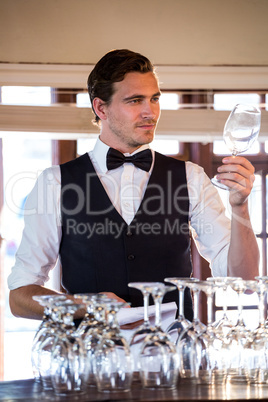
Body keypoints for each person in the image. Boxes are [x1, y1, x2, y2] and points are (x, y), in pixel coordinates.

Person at [8, 49, 259, 324]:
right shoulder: (54, 183)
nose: (150, 112)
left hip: (174, 360)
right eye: (135, 100)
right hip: (90, 358)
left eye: (154, 99)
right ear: (101, 108)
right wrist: (82, 306)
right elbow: (20, 297)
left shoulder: (191, 177)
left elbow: (242, 281)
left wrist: (240, 206)